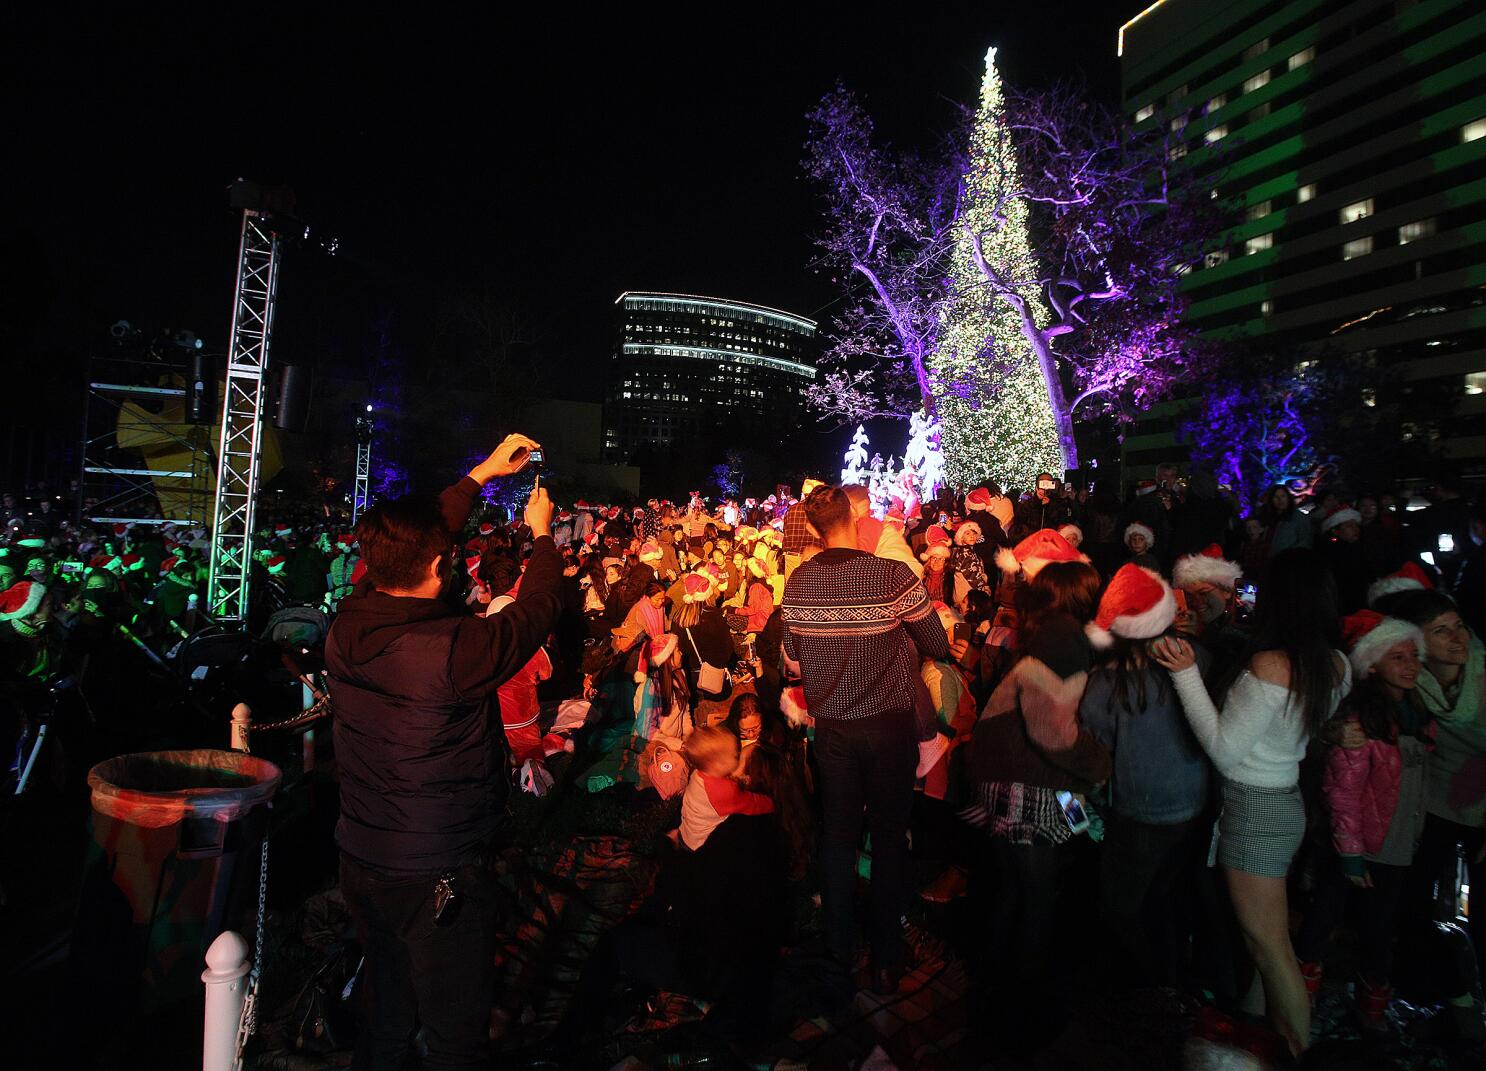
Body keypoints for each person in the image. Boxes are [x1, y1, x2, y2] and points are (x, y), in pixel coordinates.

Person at [326, 433, 563, 1071]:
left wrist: (481, 474)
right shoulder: (458, 651)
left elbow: (409, 546)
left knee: (386, 1017)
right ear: (439, 567)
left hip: (365, 855)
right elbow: (536, 609)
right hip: (440, 870)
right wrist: (543, 538)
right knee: (455, 1035)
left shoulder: (349, 624)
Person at [1151, 548, 1351, 1058]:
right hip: (1285, 803)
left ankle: (1296, 1048)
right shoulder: (1336, 664)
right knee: (1271, 938)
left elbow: (1223, 749)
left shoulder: (1269, 664)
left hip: (1256, 809)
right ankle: (1260, 1029)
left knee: (1270, 947)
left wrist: (1185, 673)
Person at [781, 485, 950, 995]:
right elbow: (937, 643)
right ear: (859, 518)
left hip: (832, 732)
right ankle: (887, 957)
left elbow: (791, 657)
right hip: (889, 729)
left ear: (814, 529)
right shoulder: (891, 575)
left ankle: (837, 952)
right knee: (890, 838)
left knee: (837, 837)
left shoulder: (800, 583)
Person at [963, 558, 1110, 1049]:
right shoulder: (1064, 639)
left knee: (1014, 890)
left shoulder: (1045, 634)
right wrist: (1102, 766)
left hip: (1008, 779)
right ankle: (1023, 1015)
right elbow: (1051, 731)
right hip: (1029, 784)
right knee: (1037, 896)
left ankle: (990, 997)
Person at [1296, 610, 1430, 1032]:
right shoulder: (1362, 721)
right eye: (1398, 657)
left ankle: (1370, 1012)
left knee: (1378, 929)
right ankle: (1298, 1001)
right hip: (1354, 846)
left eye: (1414, 656)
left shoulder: (1417, 717)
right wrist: (1351, 853)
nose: (1410, 665)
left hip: (1393, 845)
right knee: (1325, 918)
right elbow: (1344, 790)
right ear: (1372, 665)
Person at [1081, 564, 1211, 988]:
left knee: (1119, 903)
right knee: (1169, 897)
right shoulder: (1198, 660)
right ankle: (1175, 977)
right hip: (1194, 803)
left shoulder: (1106, 684)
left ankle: (1146, 985)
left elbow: (1096, 747)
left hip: (1140, 810)